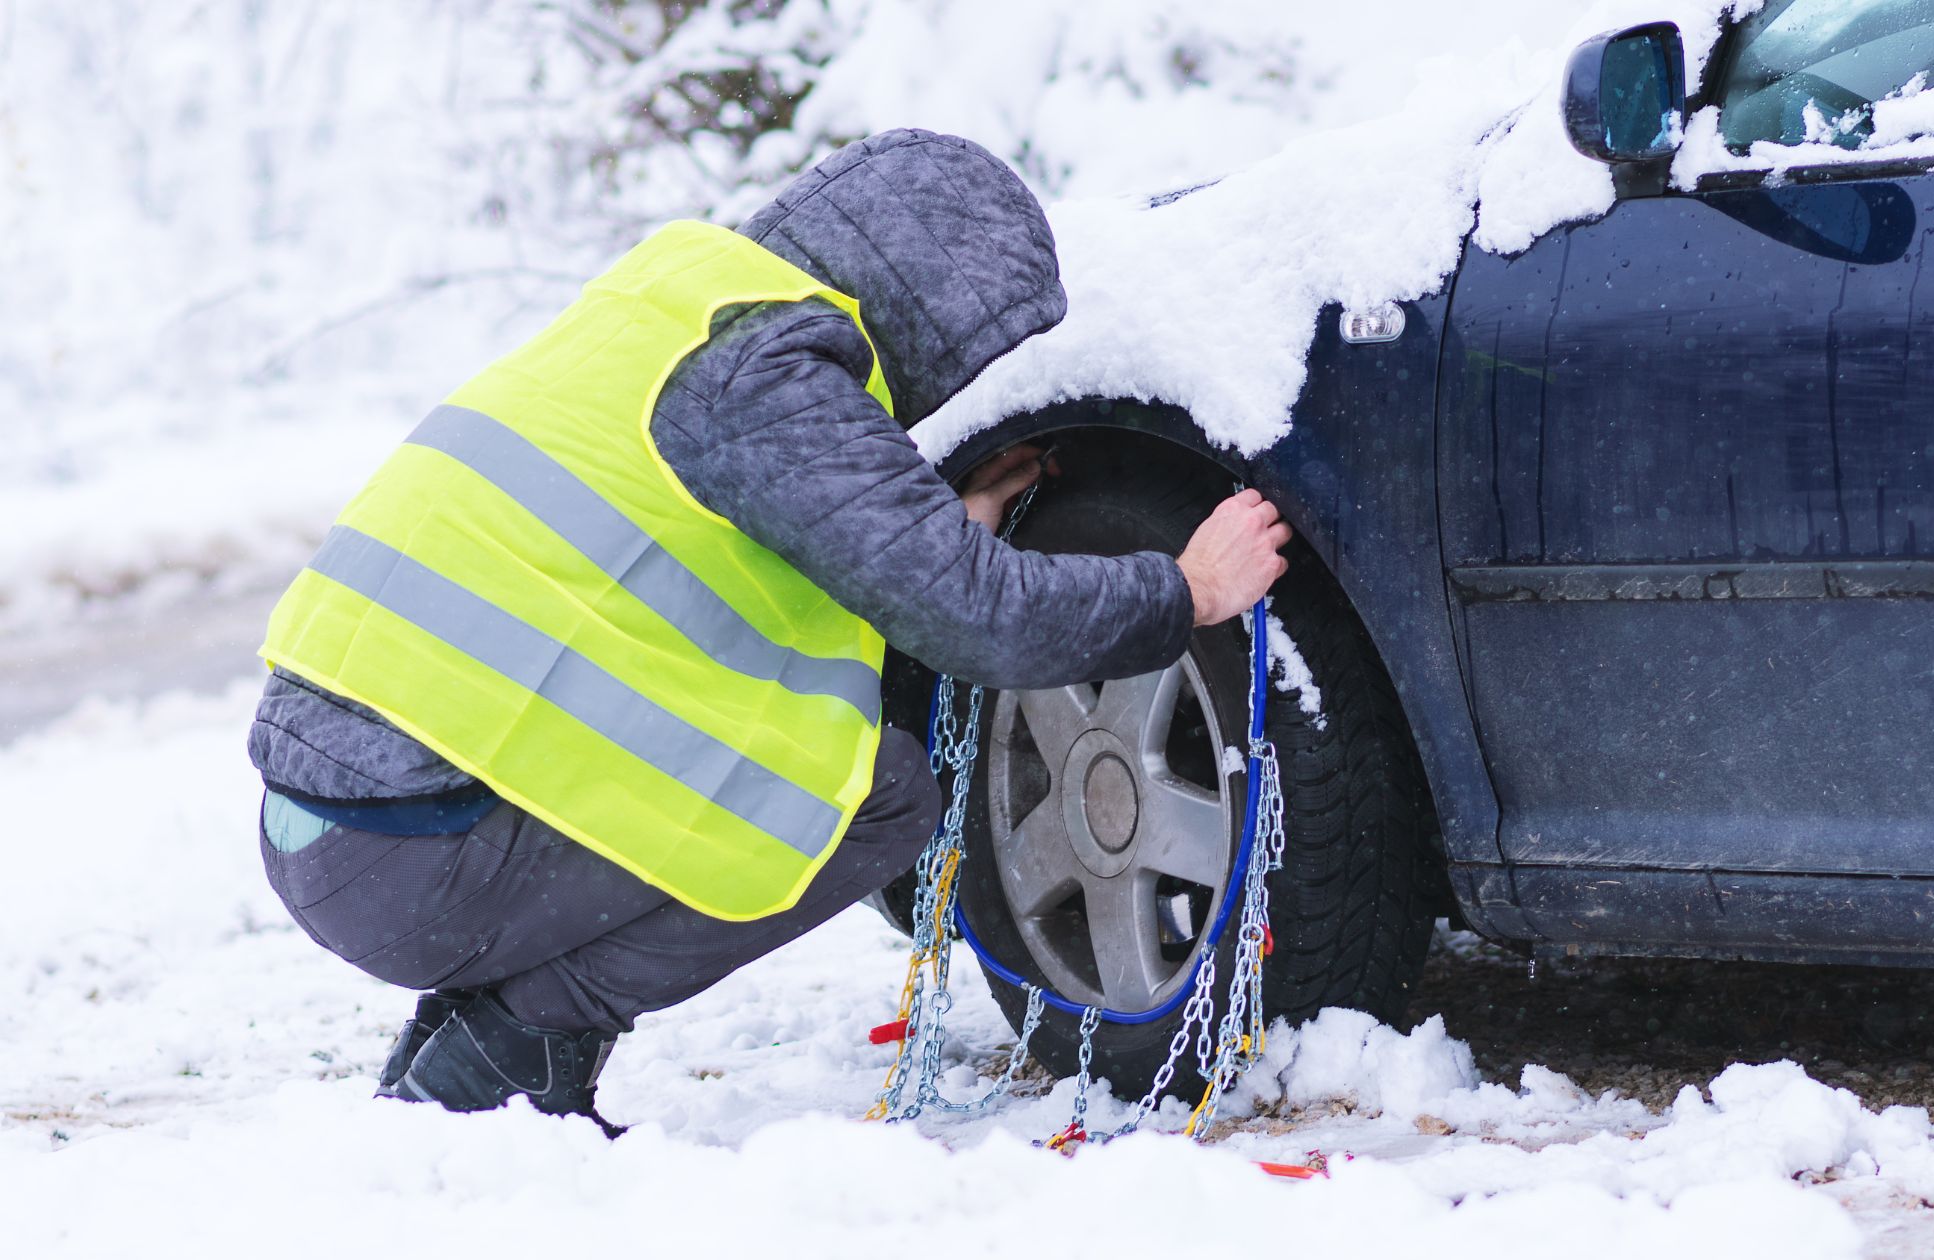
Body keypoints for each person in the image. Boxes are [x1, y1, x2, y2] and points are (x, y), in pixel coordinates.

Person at [246, 128, 1290, 1131]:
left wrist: (930, 530)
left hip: (343, 821)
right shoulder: (775, 379)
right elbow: (985, 622)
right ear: (932, 311)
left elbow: (699, 570)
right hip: (406, 854)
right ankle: (511, 1060)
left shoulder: (672, 306)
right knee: (869, 804)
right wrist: (1185, 590)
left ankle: (469, 1050)